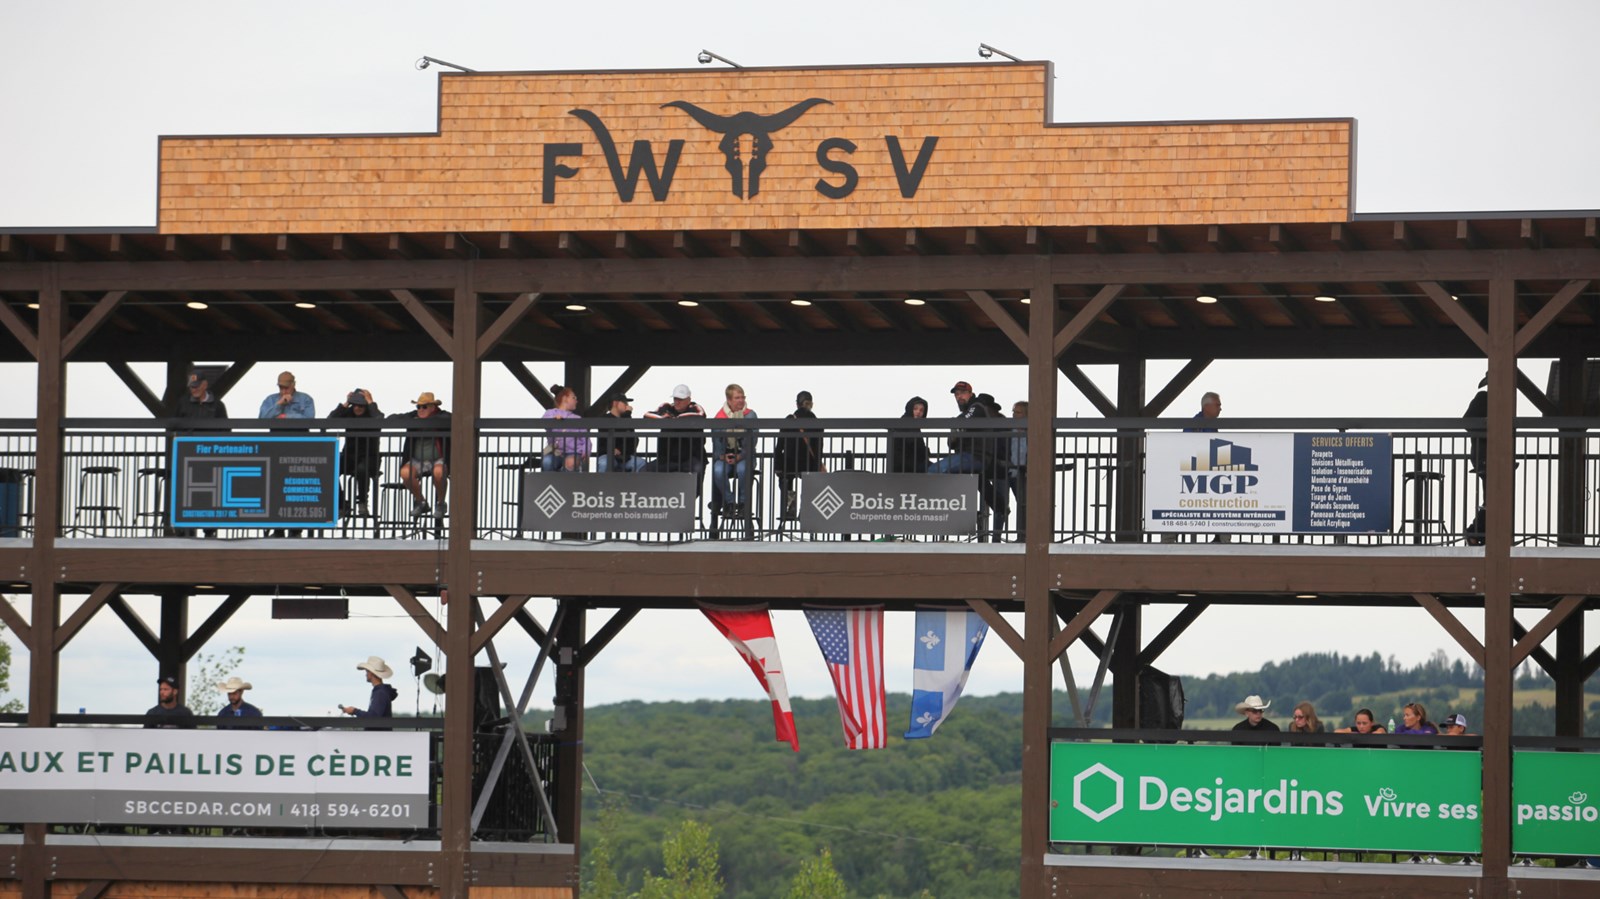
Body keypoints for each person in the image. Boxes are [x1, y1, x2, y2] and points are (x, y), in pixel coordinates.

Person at [392, 392, 451, 517]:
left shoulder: (442, 415)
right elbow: (392, 418)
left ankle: (440, 503)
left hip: (438, 459)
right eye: (418, 407)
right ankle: (421, 502)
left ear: (433, 407)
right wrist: (415, 420)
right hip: (417, 460)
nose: (420, 410)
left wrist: (425, 421)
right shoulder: (414, 416)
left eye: (424, 407)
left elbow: (451, 418)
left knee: (439, 473)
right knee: (405, 473)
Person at [328, 388, 382, 518]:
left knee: (362, 470)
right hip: (350, 455)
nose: (357, 408)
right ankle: (341, 504)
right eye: (355, 404)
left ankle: (362, 502)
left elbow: (380, 420)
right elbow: (330, 420)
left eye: (361, 405)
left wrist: (370, 402)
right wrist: (346, 403)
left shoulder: (372, 413)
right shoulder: (349, 412)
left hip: (370, 456)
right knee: (330, 469)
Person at [711, 383, 757, 529]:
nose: (741, 400)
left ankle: (743, 504)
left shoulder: (750, 415)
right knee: (718, 470)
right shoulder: (720, 417)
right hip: (726, 456)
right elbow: (716, 440)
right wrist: (722, 456)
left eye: (742, 397)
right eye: (737, 398)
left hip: (744, 456)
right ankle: (729, 503)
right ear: (729, 400)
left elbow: (752, 440)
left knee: (743, 470)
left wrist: (741, 455)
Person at [773, 390, 824, 520]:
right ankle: (805, 510)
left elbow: (780, 446)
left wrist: (778, 466)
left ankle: (790, 507)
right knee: (809, 482)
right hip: (808, 463)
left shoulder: (790, 419)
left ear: (797, 404)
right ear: (811, 404)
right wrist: (817, 465)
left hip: (788, 463)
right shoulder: (817, 422)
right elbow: (819, 448)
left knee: (785, 480)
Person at [642, 384, 708, 478]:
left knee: (697, 469)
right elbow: (646, 415)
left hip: (691, 459)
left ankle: (695, 493)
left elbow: (701, 416)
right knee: (645, 470)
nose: (677, 402)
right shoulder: (667, 407)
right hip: (667, 459)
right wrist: (663, 418)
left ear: (688, 400)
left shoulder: (695, 407)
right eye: (675, 399)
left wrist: (675, 419)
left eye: (680, 399)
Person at [928, 381, 993, 475]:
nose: (959, 396)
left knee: (934, 469)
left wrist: (955, 425)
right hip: (967, 456)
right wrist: (954, 433)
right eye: (957, 394)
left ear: (971, 394)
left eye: (963, 393)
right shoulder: (965, 414)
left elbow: (963, 421)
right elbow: (951, 444)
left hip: (975, 456)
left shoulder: (977, 406)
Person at [540, 386, 591, 472]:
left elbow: (586, 438)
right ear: (565, 398)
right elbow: (544, 422)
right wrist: (553, 419)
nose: (576, 401)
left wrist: (586, 451)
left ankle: (563, 482)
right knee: (547, 462)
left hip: (574, 452)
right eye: (574, 397)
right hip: (556, 452)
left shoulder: (577, 418)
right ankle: (550, 483)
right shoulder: (551, 413)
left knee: (571, 464)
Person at [1464, 376, 1488, 545]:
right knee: (1493, 498)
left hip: (1495, 457)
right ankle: (1475, 532)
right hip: (1485, 457)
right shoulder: (1483, 398)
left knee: (1494, 498)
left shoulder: (1501, 401)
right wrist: (1487, 426)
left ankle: (1478, 532)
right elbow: (1467, 421)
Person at [596, 393, 646, 473]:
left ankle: (636, 485)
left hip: (625, 457)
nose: (627, 406)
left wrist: (620, 449)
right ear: (615, 403)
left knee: (641, 463)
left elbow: (634, 440)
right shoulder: (605, 418)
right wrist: (612, 448)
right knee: (604, 463)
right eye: (624, 402)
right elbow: (607, 437)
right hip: (607, 455)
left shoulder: (627, 418)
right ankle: (601, 485)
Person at [888, 396, 931, 474]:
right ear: (909, 409)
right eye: (915, 409)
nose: (918, 412)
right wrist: (926, 451)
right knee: (938, 469)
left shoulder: (905, 423)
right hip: (907, 467)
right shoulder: (908, 425)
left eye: (921, 410)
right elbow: (918, 449)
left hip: (905, 467)